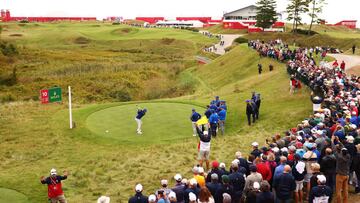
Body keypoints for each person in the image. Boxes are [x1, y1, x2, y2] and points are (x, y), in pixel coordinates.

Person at [332, 135, 351, 203]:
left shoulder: (339, 157)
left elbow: (334, 149)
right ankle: (345, 201)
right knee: (345, 189)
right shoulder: (348, 156)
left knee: (338, 190)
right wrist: (339, 141)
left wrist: (332, 140)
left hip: (340, 175)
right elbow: (343, 148)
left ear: (342, 152)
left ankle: (339, 202)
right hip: (346, 175)